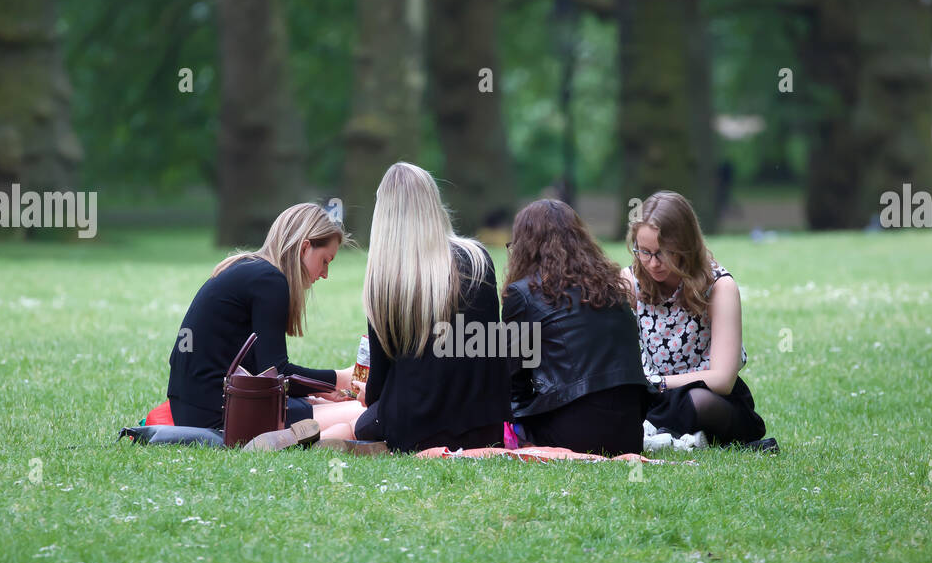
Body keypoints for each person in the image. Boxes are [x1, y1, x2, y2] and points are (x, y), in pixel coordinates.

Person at [346, 162, 510, 453]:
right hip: (483, 427)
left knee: (358, 423)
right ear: (434, 203)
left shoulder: (385, 278)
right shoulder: (477, 259)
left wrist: (366, 395)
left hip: (414, 429)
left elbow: (379, 384)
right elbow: (490, 349)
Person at [167, 203, 363, 437]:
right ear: (305, 248)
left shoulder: (250, 269)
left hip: (191, 407)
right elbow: (277, 373)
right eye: (325, 261)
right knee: (360, 411)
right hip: (220, 415)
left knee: (323, 404)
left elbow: (263, 373)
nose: (325, 274)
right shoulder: (270, 282)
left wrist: (320, 390)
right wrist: (338, 379)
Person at [623, 191, 774, 450]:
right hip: (652, 397)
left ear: (685, 246)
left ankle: (654, 433)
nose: (652, 263)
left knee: (696, 402)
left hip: (708, 398)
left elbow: (722, 380)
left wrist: (657, 383)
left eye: (663, 253)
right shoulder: (630, 281)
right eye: (643, 252)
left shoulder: (719, 286)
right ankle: (674, 437)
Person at [501, 199, 648, 455]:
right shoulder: (611, 285)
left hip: (575, 433)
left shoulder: (522, 294)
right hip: (630, 432)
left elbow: (514, 381)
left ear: (524, 246)